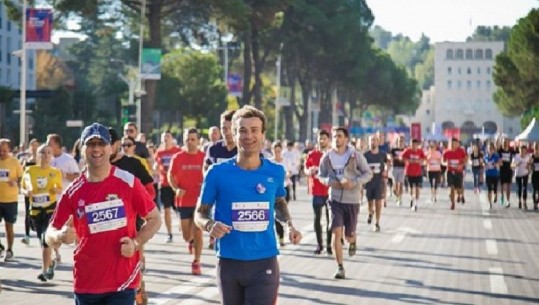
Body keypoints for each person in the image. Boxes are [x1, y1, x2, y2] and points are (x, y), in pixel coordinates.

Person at [195, 106, 302, 305]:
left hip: (264, 262)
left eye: (254, 130)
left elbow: (279, 203)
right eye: (242, 130)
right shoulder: (217, 173)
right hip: (229, 263)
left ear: (263, 135)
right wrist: (210, 225)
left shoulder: (276, 171)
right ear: (234, 135)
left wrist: (288, 226)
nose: (248, 136)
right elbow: (200, 213)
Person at [46, 122, 161, 305]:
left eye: (102, 144)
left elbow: (154, 218)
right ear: (82, 149)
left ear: (111, 148)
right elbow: (49, 232)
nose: (96, 149)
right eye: (91, 144)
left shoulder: (128, 182)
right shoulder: (73, 192)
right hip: (87, 283)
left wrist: (136, 242)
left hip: (122, 282)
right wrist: (59, 235)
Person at [318, 126, 372, 279]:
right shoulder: (327, 157)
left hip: (352, 200)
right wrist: (329, 182)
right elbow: (321, 175)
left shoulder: (355, 155)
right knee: (336, 231)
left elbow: (368, 173)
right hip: (335, 199)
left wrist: (354, 182)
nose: (337, 139)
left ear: (346, 139)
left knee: (348, 236)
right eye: (335, 136)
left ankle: (353, 241)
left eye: (340, 136)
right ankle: (340, 267)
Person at [21, 144, 63, 281]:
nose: (45, 155)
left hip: (50, 209)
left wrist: (56, 190)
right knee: (43, 241)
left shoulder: (55, 171)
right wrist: (26, 192)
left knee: (46, 240)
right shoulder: (29, 170)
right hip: (36, 211)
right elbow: (23, 188)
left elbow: (59, 188)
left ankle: (44, 271)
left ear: (52, 156)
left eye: (48, 153)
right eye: (42, 152)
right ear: (37, 155)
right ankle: (50, 264)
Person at [168, 128, 206, 275]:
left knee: (198, 232)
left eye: (193, 139)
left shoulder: (203, 157)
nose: (190, 142)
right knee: (186, 235)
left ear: (198, 141)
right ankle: (190, 242)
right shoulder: (178, 157)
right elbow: (171, 176)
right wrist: (176, 188)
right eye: (187, 139)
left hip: (200, 201)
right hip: (183, 201)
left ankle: (196, 262)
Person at [304, 129, 332, 255]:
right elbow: (305, 168)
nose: (322, 141)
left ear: (328, 140)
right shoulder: (311, 154)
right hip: (316, 190)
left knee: (330, 219)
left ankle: (329, 245)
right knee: (317, 219)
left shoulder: (332, 154)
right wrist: (309, 171)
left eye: (324, 138)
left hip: (330, 190)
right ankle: (319, 245)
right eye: (320, 138)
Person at [154, 131, 182, 243]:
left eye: (168, 137)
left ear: (171, 139)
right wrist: (155, 167)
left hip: (176, 184)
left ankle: (182, 222)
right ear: (162, 139)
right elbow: (155, 166)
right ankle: (169, 233)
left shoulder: (177, 151)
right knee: (166, 210)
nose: (166, 139)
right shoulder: (159, 152)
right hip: (164, 184)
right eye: (164, 137)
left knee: (178, 209)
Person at [0, 138, 24, 261]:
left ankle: (9, 250)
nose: (2, 153)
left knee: (9, 226)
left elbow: (21, 179)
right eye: (0, 151)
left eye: (4, 151)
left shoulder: (15, 162)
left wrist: (15, 183)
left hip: (10, 200)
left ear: (9, 150)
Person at [269, 141, 293, 247]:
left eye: (279, 151)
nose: (277, 153)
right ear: (272, 151)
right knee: (275, 215)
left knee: (282, 213)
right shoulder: (269, 162)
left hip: (284, 188)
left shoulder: (285, 161)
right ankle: (280, 237)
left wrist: (286, 175)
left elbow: (290, 172)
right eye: (275, 151)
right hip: (273, 191)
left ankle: (284, 234)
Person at [363, 135, 388, 232]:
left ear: (378, 142)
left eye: (374, 140)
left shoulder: (382, 154)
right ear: (369, 143)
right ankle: (370, 212)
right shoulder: (365, 155)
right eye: (371, 140)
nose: (373, 142)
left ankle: (377, 223)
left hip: (379, 181)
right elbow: (361, 167)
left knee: (378, 203)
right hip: (369, 182)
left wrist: (386, 170)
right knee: (370, 202)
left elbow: (387, 164)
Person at [20, 138, 40, 245]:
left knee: (39, 211)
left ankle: (40, 232)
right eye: (32, 146)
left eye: (36, 146)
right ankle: (27, 235)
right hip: (28, 189)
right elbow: (22, 175)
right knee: (28, 211)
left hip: (40, 190)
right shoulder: (26, 160)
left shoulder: (41, 160)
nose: (34, 148)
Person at [442, 138, 468, 210]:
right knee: (451, 188)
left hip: (459, 172)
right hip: (450, 172)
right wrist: (445, 163)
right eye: (452, 143)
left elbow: (466, 159)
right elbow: (442, 161)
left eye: (456, 143)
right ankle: (452, 203)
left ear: (458, 144)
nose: (454, 145)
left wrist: (462, 165)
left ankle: (461, 195)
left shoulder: (461, 151)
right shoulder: (446, 152)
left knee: (459, 189)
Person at [401, 139, 426, 211]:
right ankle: (412, 198)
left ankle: (416, 203)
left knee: (418, 188)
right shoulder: (407, 151)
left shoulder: (420, 151)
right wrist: (408, 161)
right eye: (412, 144)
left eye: (415, 145)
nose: (414, 146)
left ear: (417, 145)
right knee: (411, 188)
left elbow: (424, 159)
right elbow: (401, 158)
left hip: (418, 172)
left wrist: (420, 161)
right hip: (409, 172)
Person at [498, 138, 516, 207]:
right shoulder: (500, 151)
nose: (505, 144)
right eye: (503, 143)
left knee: (508, 186)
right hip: (502, 170)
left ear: (508, 143)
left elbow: (515, 156)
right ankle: (502, 196)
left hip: (509, 170)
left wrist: (513, 164)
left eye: (506, 142)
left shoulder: (511, 151)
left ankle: (508, 201)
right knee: (502, 186)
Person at [512, 145, 531, 210]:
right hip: (518, 174)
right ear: (519, 150)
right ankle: (519, 200)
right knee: (519, 188)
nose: (523, 152)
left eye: (524, 150)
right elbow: (512, 165)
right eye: (521, 150)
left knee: (525, 188)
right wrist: (516, 164)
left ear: (526, 151)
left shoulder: (528, 157)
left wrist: (528, 168)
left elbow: (529, 165)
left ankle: (524, 202)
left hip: (525, 173)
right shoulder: (516, 157)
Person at [389, 136, 406, 205]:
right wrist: (399, 158)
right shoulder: (393, 150)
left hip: (402, 168)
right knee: (395, 185)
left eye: (402, 141)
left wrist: (401, 158)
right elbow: (391, 157)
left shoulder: (405, 150)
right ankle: (397, 195)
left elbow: (406, 158)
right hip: (395, 168)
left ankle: (400, 198)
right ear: (397, 142)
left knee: (401, 184)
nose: (401, 142)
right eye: (399, 141)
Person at [484, 143, 501, 209]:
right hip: (488, 174)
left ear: (494, 149)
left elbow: (500, 163)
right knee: (489, 189)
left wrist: (496, 164)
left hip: (495, 174)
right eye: (489, 148)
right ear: (487, 149)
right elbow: (483, 163)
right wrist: (484, 165)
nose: (490, 150)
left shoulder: (496, 156)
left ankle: (495, 195)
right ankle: (489, 203)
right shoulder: (485, 156)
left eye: (491, 148)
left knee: (495, 189)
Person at [531, 142, 539, 210]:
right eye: (535, 147)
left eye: (537, 147)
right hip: (534, 175)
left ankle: (537, 202)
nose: (536, 148)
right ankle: (535, 204)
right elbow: (530, 165)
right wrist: (532, 166)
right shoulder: (532, 156)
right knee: (535, 190)